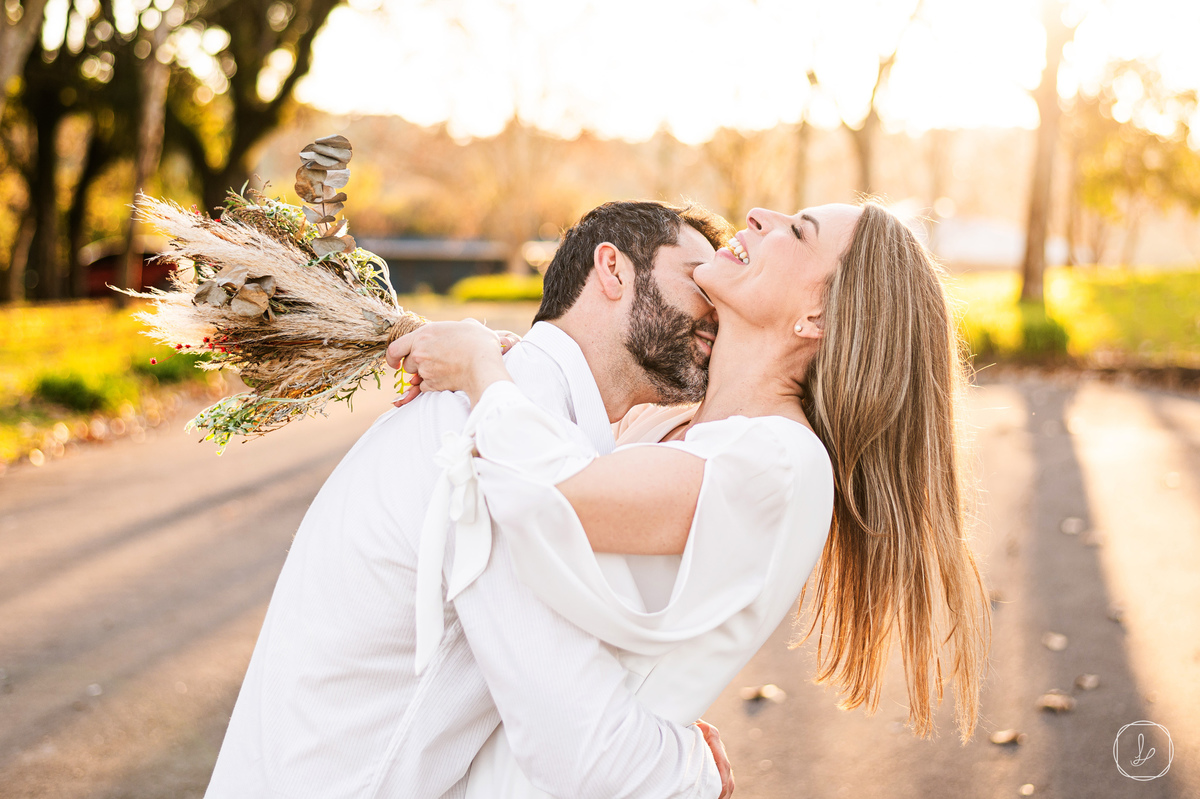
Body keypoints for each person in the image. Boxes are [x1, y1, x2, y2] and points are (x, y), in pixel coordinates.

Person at [388, 200, 993, 797]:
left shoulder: (782, 462)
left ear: (817, 316)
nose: (759, 215)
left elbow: (549, 499)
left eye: (798, 232)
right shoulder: (661, 426)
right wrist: (514, 369)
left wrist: (479, 369)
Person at [204, 201, 738, 799]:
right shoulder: (503, 444)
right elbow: (578, 747)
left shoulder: (512, 409)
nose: (718, 308)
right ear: (612, 270)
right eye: (697, 278)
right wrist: (696, 769)